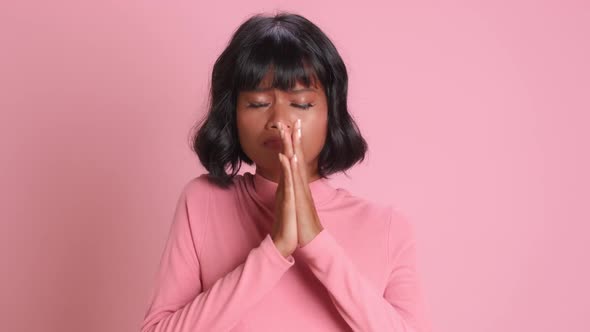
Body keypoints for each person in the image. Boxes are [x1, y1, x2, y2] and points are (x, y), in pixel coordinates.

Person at [140, 11, 432, 332]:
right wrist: (274, 250)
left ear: (331, 114)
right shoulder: (202, 202)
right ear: (233, 115)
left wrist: (317, 244)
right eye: (257, 103)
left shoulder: (387, 227)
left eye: (302, 104)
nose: (279, 120)